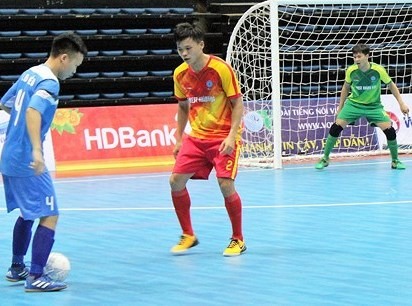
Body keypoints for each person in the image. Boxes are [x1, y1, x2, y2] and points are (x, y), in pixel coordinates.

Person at [1, 32, 87, 292]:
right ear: (64, 58)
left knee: (29, 213)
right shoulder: (50, 82)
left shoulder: (31, 73)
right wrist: (37, 150)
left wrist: (18, 134)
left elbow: (6, 103)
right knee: (50, 215)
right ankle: (36, 276)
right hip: (27, 160)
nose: (74, 71)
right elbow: (32, 110)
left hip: (9, 156)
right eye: (75, 65)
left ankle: (17, 267)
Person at [169, 22, 246, 257]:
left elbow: (237, 103)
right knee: (175, 182)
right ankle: (188, 235)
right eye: (180, 49)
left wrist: (232, 136)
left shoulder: (221, 69)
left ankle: (238, 239)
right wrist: (179, 138)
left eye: (188, 48)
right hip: (197, 138)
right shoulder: (180, 74)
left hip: (223, 136)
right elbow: (182, 107)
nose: (184, 54)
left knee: (225, 185)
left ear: (201, 45)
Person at [315, 43, 409, 170]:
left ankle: (395, 161)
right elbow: (345, 88)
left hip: (374, 106)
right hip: (354, 104)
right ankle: (325, 159)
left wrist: (401, 103)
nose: (356, 59)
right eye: (354, 57)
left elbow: (391, 85)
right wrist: (340, 108)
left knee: (390, 131)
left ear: (367, 56)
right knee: (335, 127)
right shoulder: (351, 70)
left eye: (359, 57)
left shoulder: (378, 70)